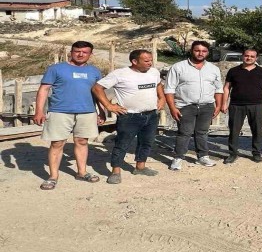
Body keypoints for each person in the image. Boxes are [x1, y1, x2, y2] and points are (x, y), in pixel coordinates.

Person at [34, 41, 104, 190]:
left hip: (87, 111)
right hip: (60, 111)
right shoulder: (56, 69)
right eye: (77, 51)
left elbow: (98, 93)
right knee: (57, 143)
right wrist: (39, 111)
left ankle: (82, 172)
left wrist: (101, 111)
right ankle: (53, 177)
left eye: (85, 52)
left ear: (90, 54)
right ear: (71, 52)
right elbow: (44, 89)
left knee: (82, 141)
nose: (80, 54)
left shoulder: (94, 71)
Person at [92, 49, 165, 184]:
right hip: (129, 116)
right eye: (146, 60)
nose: (150, 63)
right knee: (122, 144)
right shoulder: (120, 74)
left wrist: (162, 98)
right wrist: (109, 106)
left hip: (151, 115)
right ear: (134, 61)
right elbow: (97, 88)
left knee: (146, 142)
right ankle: (115, 172)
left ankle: (140, 167)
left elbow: (158, 84)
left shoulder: (154, 72)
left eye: (151, 60)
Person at [165, 40, 223, 170]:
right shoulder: (178, 67)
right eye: (197, 50)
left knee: (202, 132)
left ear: (207, 52)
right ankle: (178, 158)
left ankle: (203, 156)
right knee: (184, 133)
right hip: (185, 106)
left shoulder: (213, 69)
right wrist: (172, 108)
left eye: (204, 51)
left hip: (207, 106)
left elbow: (218, 89)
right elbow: (169, 89)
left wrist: (218, 105)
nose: (200, 53)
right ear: (191, 51)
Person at [220, 49, 262, 164]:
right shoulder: (233, 71)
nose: (249, 58)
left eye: (252, 56)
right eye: (247, 56)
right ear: (242, 56)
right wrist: (224, 103)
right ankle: (233, 153)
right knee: (234, 130)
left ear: (256, 58)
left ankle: (256, 153)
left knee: (257, 130)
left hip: (256, 105)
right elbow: (227, 88)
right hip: (236, 105)